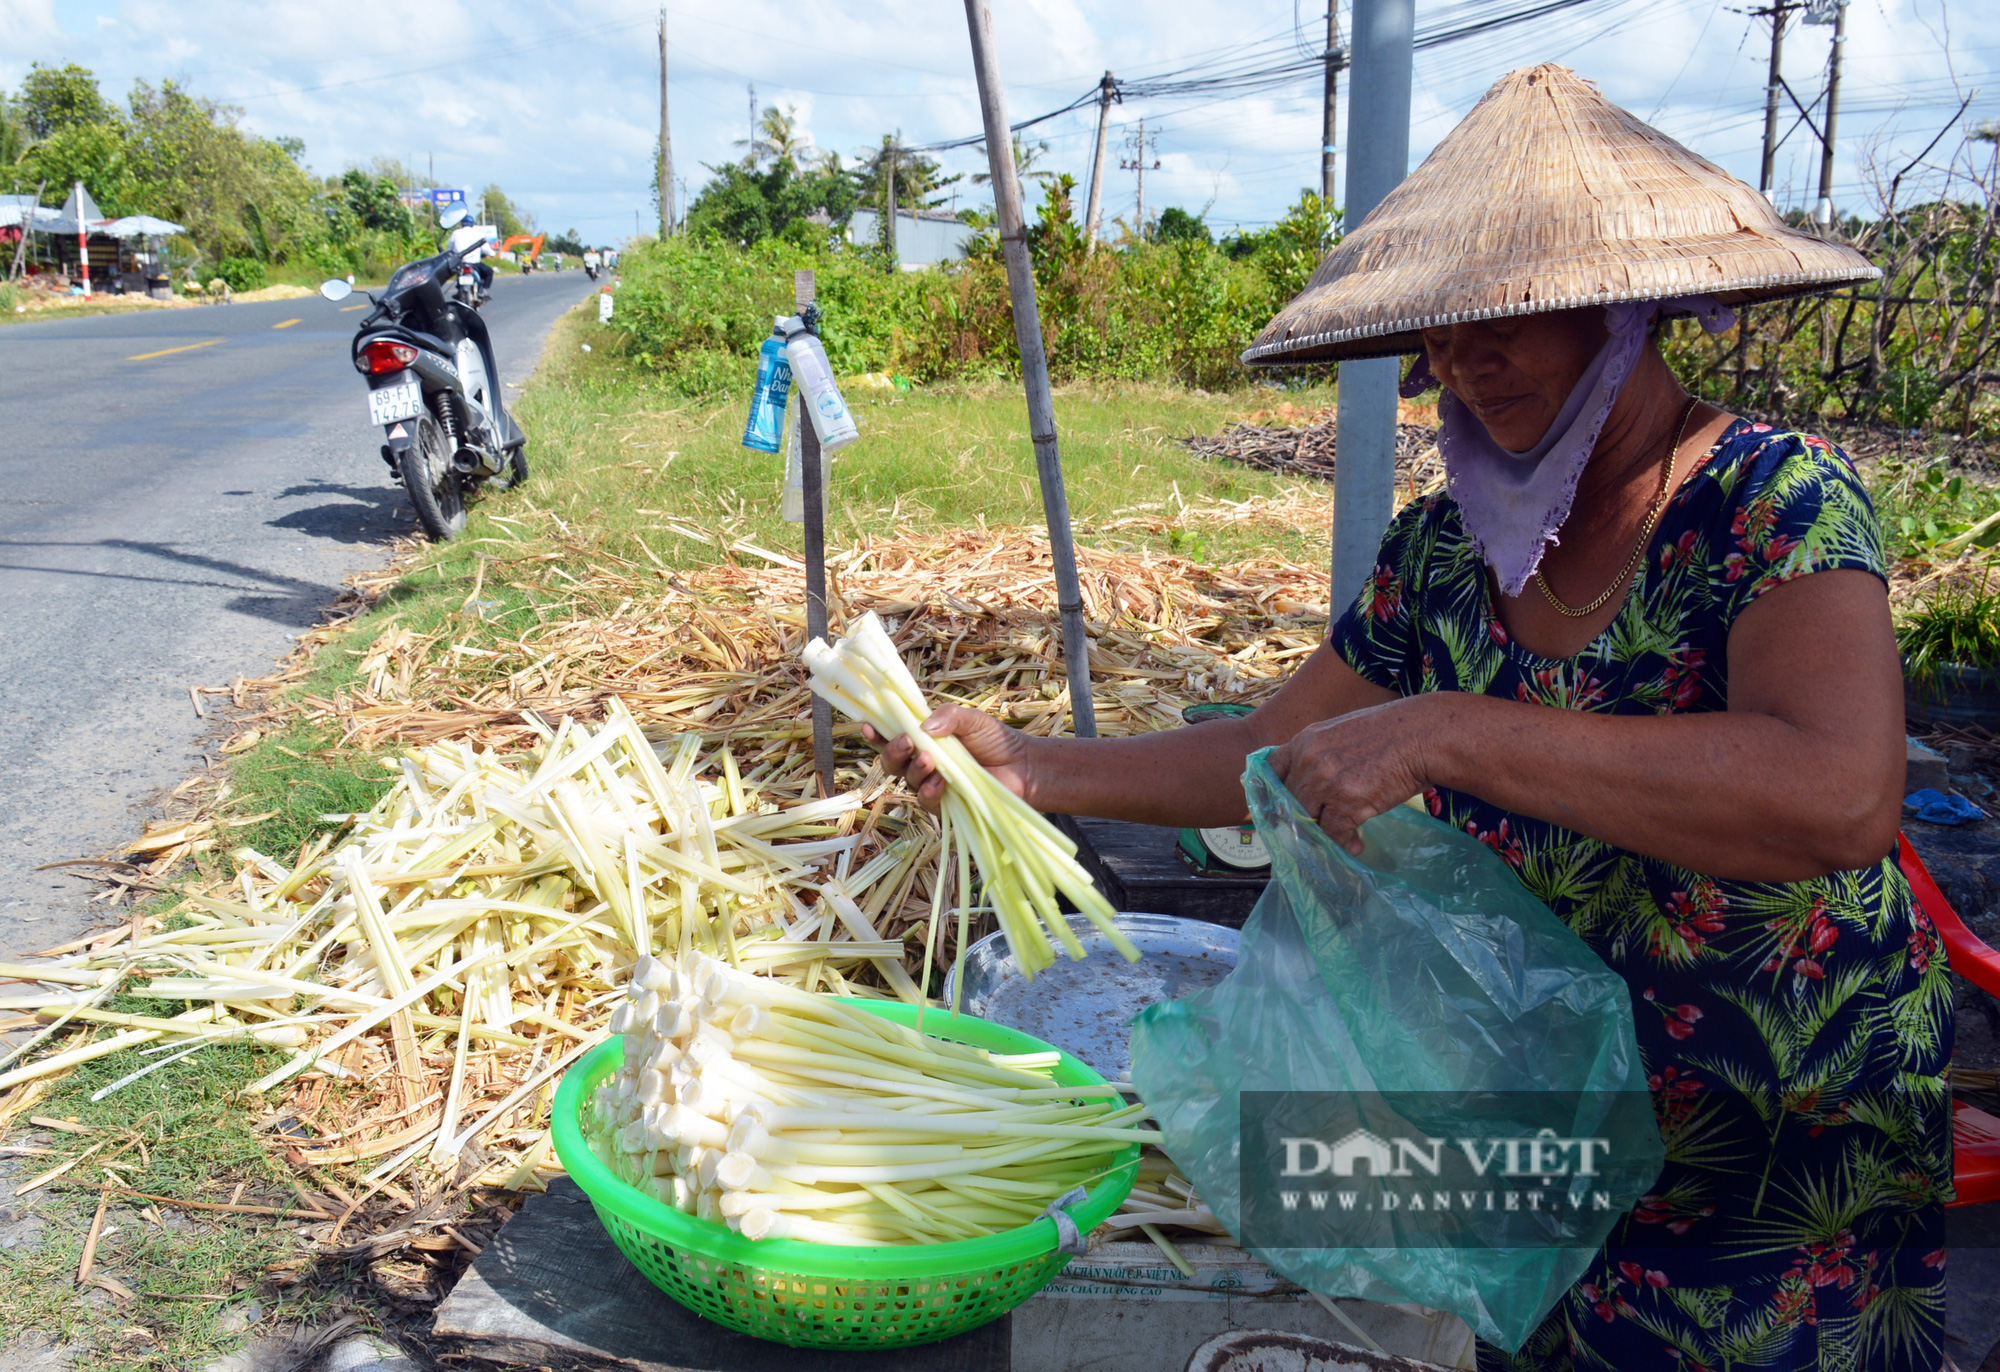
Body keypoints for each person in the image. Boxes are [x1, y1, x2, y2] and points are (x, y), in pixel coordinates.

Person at [873, 64, 1949, 1371]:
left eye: (1505, 318)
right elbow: (1270, 751)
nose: (1460, 360)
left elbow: (1837, 796)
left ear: (1623, 311)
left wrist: (1456, 732)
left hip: (1782, 1136)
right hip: (1536, 1122)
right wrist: (1034, 769)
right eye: (1438, 332)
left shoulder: (1772, 501)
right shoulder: (1444, 553)